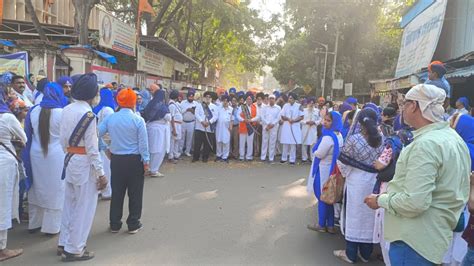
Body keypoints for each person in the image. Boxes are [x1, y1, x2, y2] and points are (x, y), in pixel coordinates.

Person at [364, 84, 471, 265]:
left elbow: (415, 202)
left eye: (404, 104)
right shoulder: (453, 138)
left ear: (414, 106)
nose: (402, 109)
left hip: (413, 241)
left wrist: (380, 200)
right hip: (433, 236)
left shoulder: (426, 145)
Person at [58, 73, 107, 262]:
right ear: (91, 94)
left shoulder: (67, 109)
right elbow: (93, 149)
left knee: (69, 204)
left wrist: (70, 153)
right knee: (84, 208)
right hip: (85, 163)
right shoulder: (89, 115)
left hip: (69, 159)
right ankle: (75, 249)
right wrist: (101, 174)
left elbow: (62, 140)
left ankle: (64, 242)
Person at [333, 108, 384, 264]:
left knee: (354, 216)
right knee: (369, 217)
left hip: (356, 182)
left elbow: (343, 163)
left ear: (360, 122)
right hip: (374, 182)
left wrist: (347, 174)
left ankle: (350, 254)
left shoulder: (354, 139)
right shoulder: (383, 139)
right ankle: (366, 254)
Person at [99, 88, 149, 234]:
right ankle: (133, 223)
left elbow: (95, 134)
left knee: (117, 192)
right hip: (134, 160)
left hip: (117, 159)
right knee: (135, 193)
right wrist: (146, 161)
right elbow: (143, 144)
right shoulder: (138, 120)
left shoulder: (110, 118)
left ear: (118, 101)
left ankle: (114, 223)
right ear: (134, 102)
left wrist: (105, 148)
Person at [24, 82, 66, 235]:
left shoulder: (33, 110)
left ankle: (34, 223)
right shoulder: (62, 113)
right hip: (56, 156)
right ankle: (52, 227)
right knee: (55, 190)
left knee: (37, 187)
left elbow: (27, 135)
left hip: (35, 154)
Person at [0, 85, 27, 262]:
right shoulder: (7, 117)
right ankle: (1, 249)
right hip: (3, 163)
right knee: (2, 204)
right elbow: (23, 138)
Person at [307, 111, 343, 234]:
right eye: (325, 120)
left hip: (324, 169)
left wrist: (314, 148)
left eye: (328, 121)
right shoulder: (338, 135)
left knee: (322, 197)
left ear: (334, 122)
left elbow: (320, 153)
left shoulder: (327, 137)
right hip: (333, 170)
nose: (325, 123)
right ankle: (331, 225)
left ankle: (321, 225)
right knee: (329, 198)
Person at [94, 88, 116, 199]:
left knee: (99, 166)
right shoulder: (109, 110)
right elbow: (110, 127)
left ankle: (99, 191)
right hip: (106, 141)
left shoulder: (97, 108)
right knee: (107, 167)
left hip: (97, 140)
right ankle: (107, 192)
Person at [144, 87, 170, 177]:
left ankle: (148, 168)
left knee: (151, 149)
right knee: (158, 150)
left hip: (151, 127)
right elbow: (168, 117)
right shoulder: (161, 106)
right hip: (159, 130)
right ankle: (154, 170)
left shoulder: (151, 103)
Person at [193, 91, 217, 163]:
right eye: (206, 97)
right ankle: (195, 157)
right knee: (197, 144)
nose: (208, 98)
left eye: (209, 97)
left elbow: (216, 116)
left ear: (211, 98)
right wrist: (202, 121)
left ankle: (205, 157)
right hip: (199, 127)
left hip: (209, 128)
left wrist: (209, 122)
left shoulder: (214, 107)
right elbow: (196, 114)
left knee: (207, 144)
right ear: (204, 98)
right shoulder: (200, 105)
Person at [279, 92, 303, 165]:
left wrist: (294, 120)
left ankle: (292, 159)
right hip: (286, 125)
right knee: (285, 142)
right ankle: (284, 158)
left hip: (295, 126)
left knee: (293, 144)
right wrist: (288, 119)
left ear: (294, 99)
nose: (289, 99)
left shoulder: (299, 106)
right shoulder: (285, 105)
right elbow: (282, 116)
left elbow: (301, 116)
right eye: (289, 98)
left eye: (291, 98)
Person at [258, 94, 281, 163]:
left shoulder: (278, 108)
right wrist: (268, 124)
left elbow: (278, 117)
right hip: (265, 127)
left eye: (273, 98)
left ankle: (271, 158)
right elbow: (262, 116)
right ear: (268, 99)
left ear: (275, 99)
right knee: (264, 142)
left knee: (272, 142)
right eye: (270, 98)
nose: (271, 100)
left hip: (274, 127)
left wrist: (272, 124)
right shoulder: (264, 107)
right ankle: (263, 157)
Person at [237, 93, 257, 161]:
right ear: (246, 100)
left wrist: (251, 120)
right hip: (243, 126)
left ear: (252, 100)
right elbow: (238, 116)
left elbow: (258, 116)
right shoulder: (242, 106)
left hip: (251, 127)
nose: (249, 100)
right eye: (248, 99)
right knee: (242, 142)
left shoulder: (254, 107)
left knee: (250, 143)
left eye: (250, 99)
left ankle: (249, 156)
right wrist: (243, 120)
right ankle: (241, 156)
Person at [301, 97, 321, 163]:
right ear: (307, 103)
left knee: (313, 143)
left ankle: (312, 158)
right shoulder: (304, 110)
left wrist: (314, 122)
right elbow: (300, 120)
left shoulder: (317, 111)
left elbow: (320, 120)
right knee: (304, 144)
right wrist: (306, 122)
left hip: (313, 129)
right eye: (310, 103)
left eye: (312, 103)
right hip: (305, 128)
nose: (311, 104)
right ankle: (304, 158)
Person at [215, 95, 233, 162]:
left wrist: (231, 127)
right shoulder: (218, 108)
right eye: (224, 101)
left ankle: (225, 156)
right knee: (218, 141)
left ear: (228, 102)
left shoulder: (231, 109)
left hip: (227, 128)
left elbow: (232, 119)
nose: (225, 102)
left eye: (226, 101)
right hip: (219, 127)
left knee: (226, 142)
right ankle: (219, 155)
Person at [180, 89, 197, 157]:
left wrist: (193, 111)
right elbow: (180, 112)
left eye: (192, 97)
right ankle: (180, 151)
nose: (191, 98)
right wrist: (187, 110)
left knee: (189, 138)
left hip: (191, 122)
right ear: (187, 97)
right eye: (189, 97)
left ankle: (187, 151)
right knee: (182, 138)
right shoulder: (183, 103)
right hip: (183, 122)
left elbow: (197, 113)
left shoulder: (196, 104)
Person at [168, 90, 183, 163]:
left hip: (178, 124)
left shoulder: (175, 104)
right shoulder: (171, 105)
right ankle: (171, 156)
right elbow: (172, 118)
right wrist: (173, 129)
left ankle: (175, 154)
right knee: (172, 141)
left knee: (177, 140)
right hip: (175, 124)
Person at [253, 92, 265, 158]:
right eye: (258, 99)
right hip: (254, 124)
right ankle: (256, 152)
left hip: (262, 125)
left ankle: (262, 153)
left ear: (262, 99)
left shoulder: (265, 106)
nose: (259, 100)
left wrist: (261, 122)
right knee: (255, 140)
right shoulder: (253, 105)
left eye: (260, 99)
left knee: (262, 139)